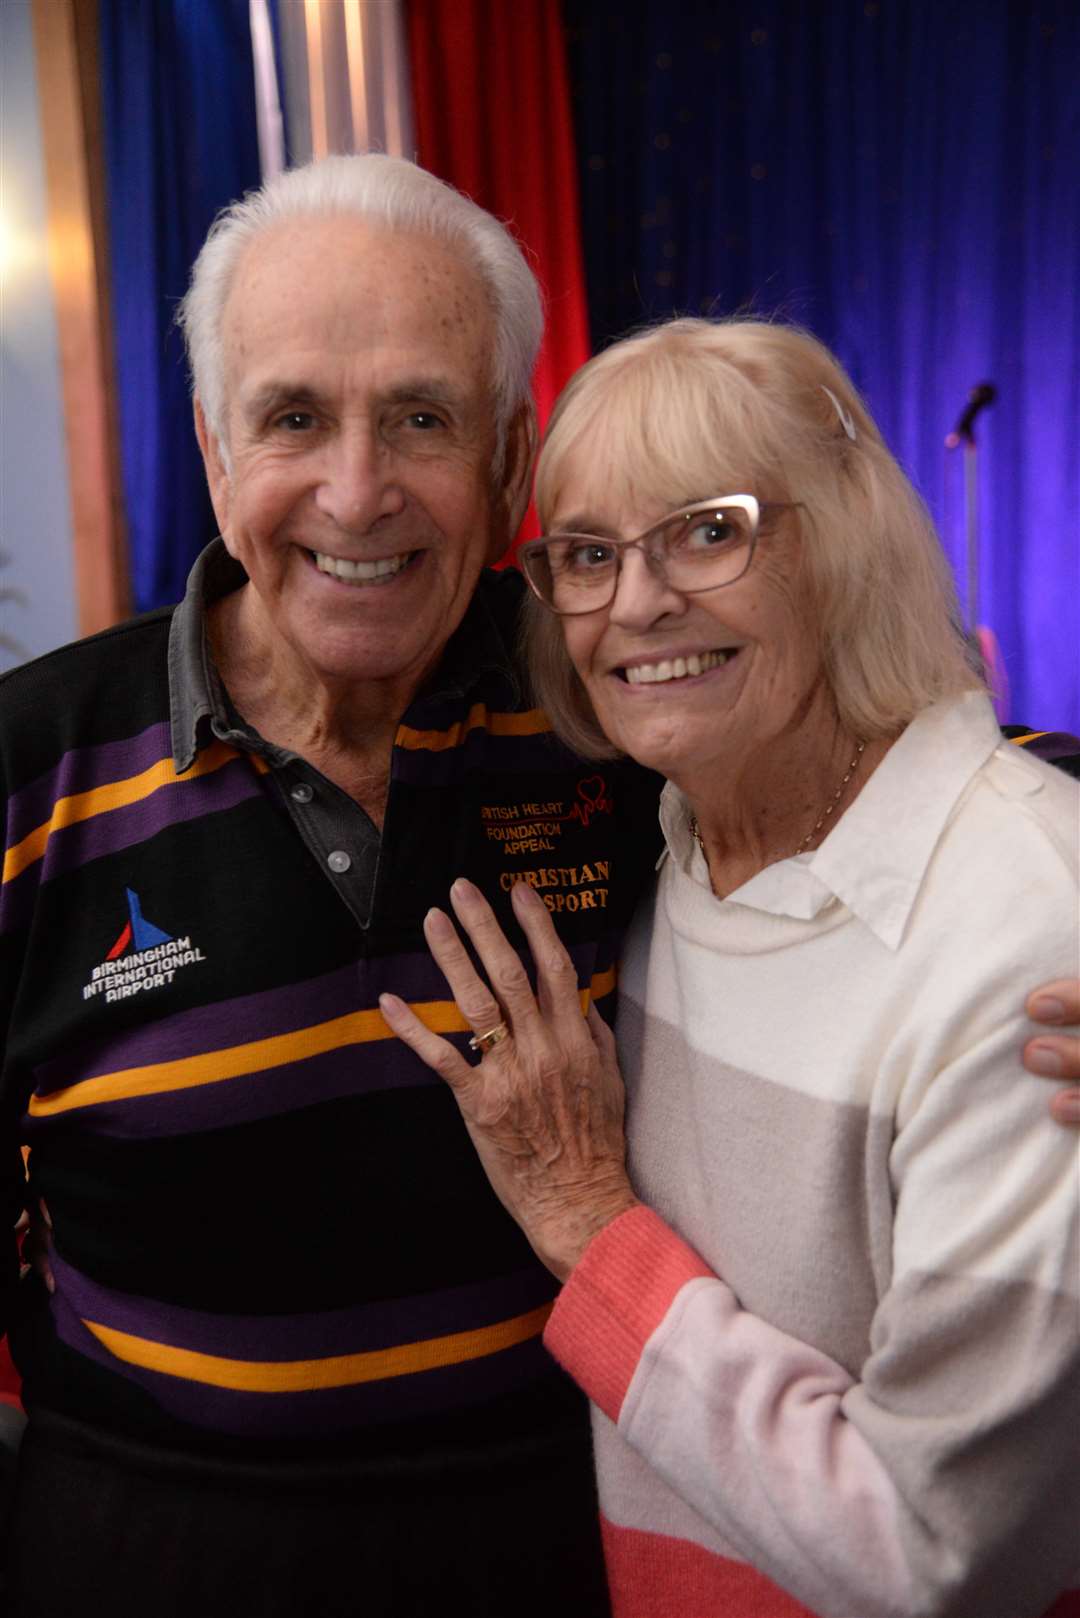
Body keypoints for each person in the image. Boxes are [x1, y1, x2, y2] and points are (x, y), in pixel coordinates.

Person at [0, 154, 663, 1616]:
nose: (356, 493)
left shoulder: (610, 703)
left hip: (557, 1545)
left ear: (507, 452)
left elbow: (879, 768)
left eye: (420, 417)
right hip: (141, 1553)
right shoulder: (28, 769)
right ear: (214, 448)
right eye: (294, 416)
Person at [382, 318, 1080, 1618]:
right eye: (589, 553)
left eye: (710, 530)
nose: (638, 603)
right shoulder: (666, 847)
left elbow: (932, 1556)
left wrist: (590, 1226)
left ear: (843, 546)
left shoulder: (1028, 935)